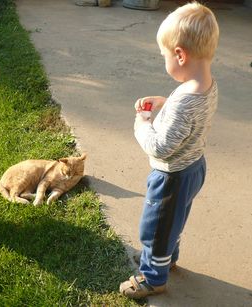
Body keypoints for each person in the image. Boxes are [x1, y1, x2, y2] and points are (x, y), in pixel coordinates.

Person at [119, 2, 219, 299]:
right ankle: (164, 257)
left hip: (171, 176)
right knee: (173, 220)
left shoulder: (186, 99)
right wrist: (165, 102)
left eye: (164, 55)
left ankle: (153, 277)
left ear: (179, 54)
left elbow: (161, 147)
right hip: (194, 168)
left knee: (156, 226)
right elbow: (189, 115)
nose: (164, 60)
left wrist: (142, 123)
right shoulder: (205, 84)